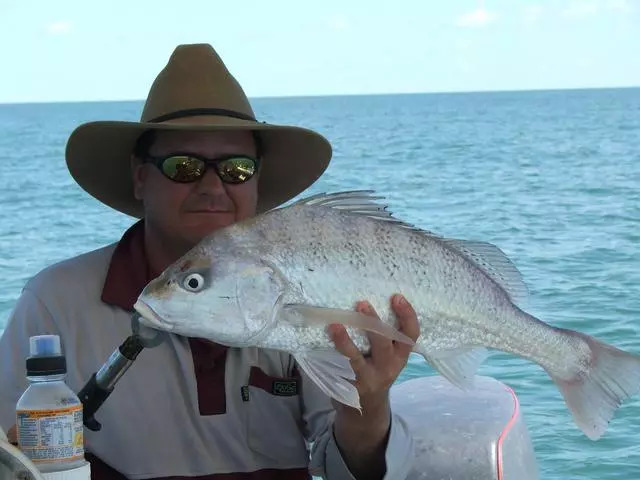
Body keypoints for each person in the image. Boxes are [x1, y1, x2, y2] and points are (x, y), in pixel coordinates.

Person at [0, 43, 419, 480]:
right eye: (184, 166)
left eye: (237, 168)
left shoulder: (307, 287)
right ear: (141, 177)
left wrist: (367, 408)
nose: (213, 186)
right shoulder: (55, 303)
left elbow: (344, 469)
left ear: (257, 180)